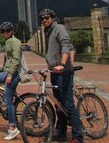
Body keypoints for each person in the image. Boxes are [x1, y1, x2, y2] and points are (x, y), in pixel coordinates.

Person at [40, 9, 83, 143]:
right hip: (54, 72)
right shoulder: (48, 31)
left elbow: (66, 46)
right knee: (58, 104)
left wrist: (63, 65)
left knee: (68, 104)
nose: (44, 20)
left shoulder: (59, 28)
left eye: (46, 18)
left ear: (53, 17)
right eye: (42, 18)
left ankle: (78, 136)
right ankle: (62, 131)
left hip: (63, 72)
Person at [0, 22, 22, 141]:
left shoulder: (15, 42)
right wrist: (0, 70)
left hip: (13, 74)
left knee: (8, 101)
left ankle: (12, 128)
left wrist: (10, 74)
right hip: (7, 72)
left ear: (11, 31)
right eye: (2, 31)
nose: (5, 33)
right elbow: (8, 61)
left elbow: (16, 60)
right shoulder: (7, 42)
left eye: (7, 31)